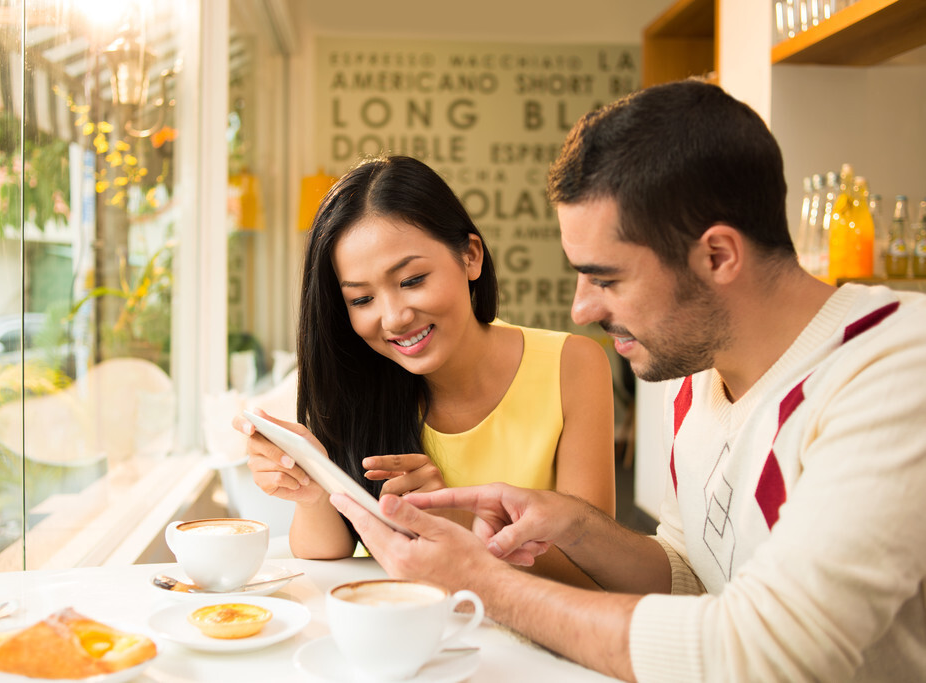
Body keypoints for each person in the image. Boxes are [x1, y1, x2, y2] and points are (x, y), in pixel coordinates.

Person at [330, 80, 926, 682]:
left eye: (605, 279)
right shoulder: (696, 370)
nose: (580, 310)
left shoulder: (895, 368)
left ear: (717, 256)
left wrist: (482, 580)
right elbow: (695, 573)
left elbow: (764, 653)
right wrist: (572, 522)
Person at [235, 155, 616, 587]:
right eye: (361, 300)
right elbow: (331, 555)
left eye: (412, 280)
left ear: (470, 257)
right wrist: (312, 491)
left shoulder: (572, 366)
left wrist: (462, 529)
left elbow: (597, 571)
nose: (394, 318)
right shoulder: (360, 384)